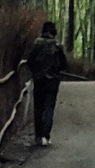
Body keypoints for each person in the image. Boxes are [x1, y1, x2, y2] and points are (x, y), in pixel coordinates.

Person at [27, 18, 67, 146]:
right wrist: (55, 71)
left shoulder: (36, 44)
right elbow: (64, 64)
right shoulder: (57, 46)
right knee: (49, 108)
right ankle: (46, 135)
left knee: (38, 107)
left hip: (39, 80)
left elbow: (30, 62)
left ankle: (39, 136)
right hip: (53, 81)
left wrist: (35, 72)